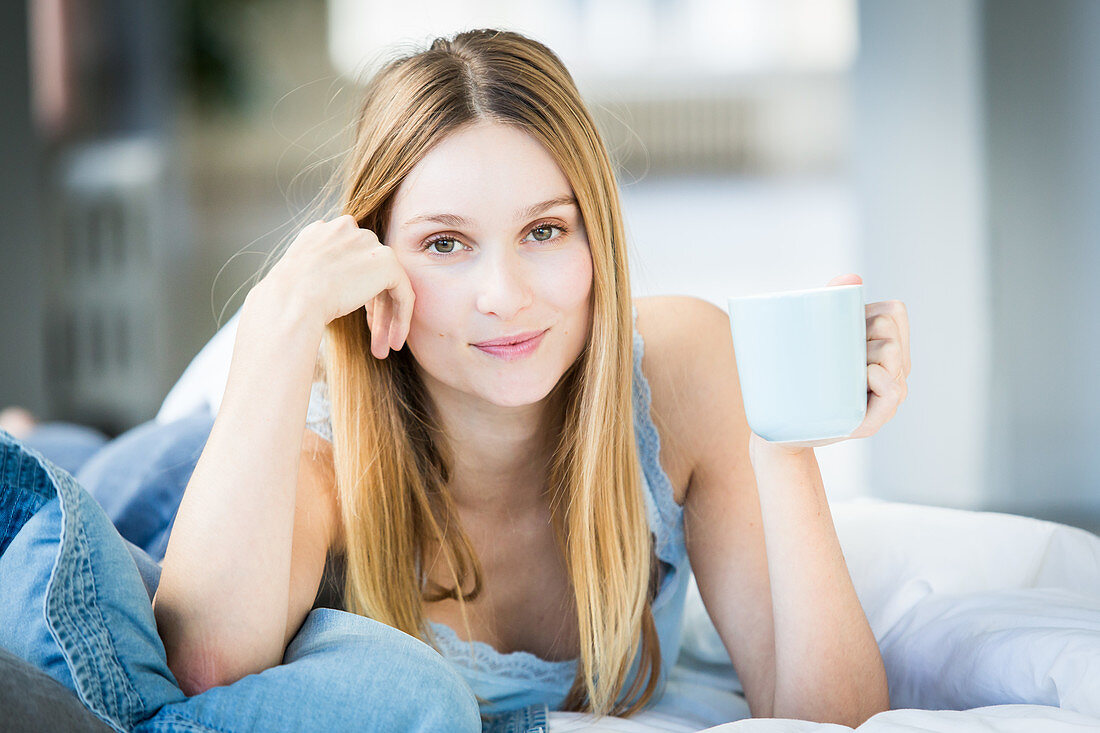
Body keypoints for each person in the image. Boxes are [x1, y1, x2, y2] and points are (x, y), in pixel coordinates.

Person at [0, 27, 911, 731]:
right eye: (445, 243)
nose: (503, 297)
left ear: (599, 238)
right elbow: (200, 661)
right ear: (380, 255)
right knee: (68, 473)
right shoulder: (326, 447)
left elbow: (831, 719)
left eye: (546, 231)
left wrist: (786, 444)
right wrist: (277, 327)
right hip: (206, 457)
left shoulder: (682, 370)